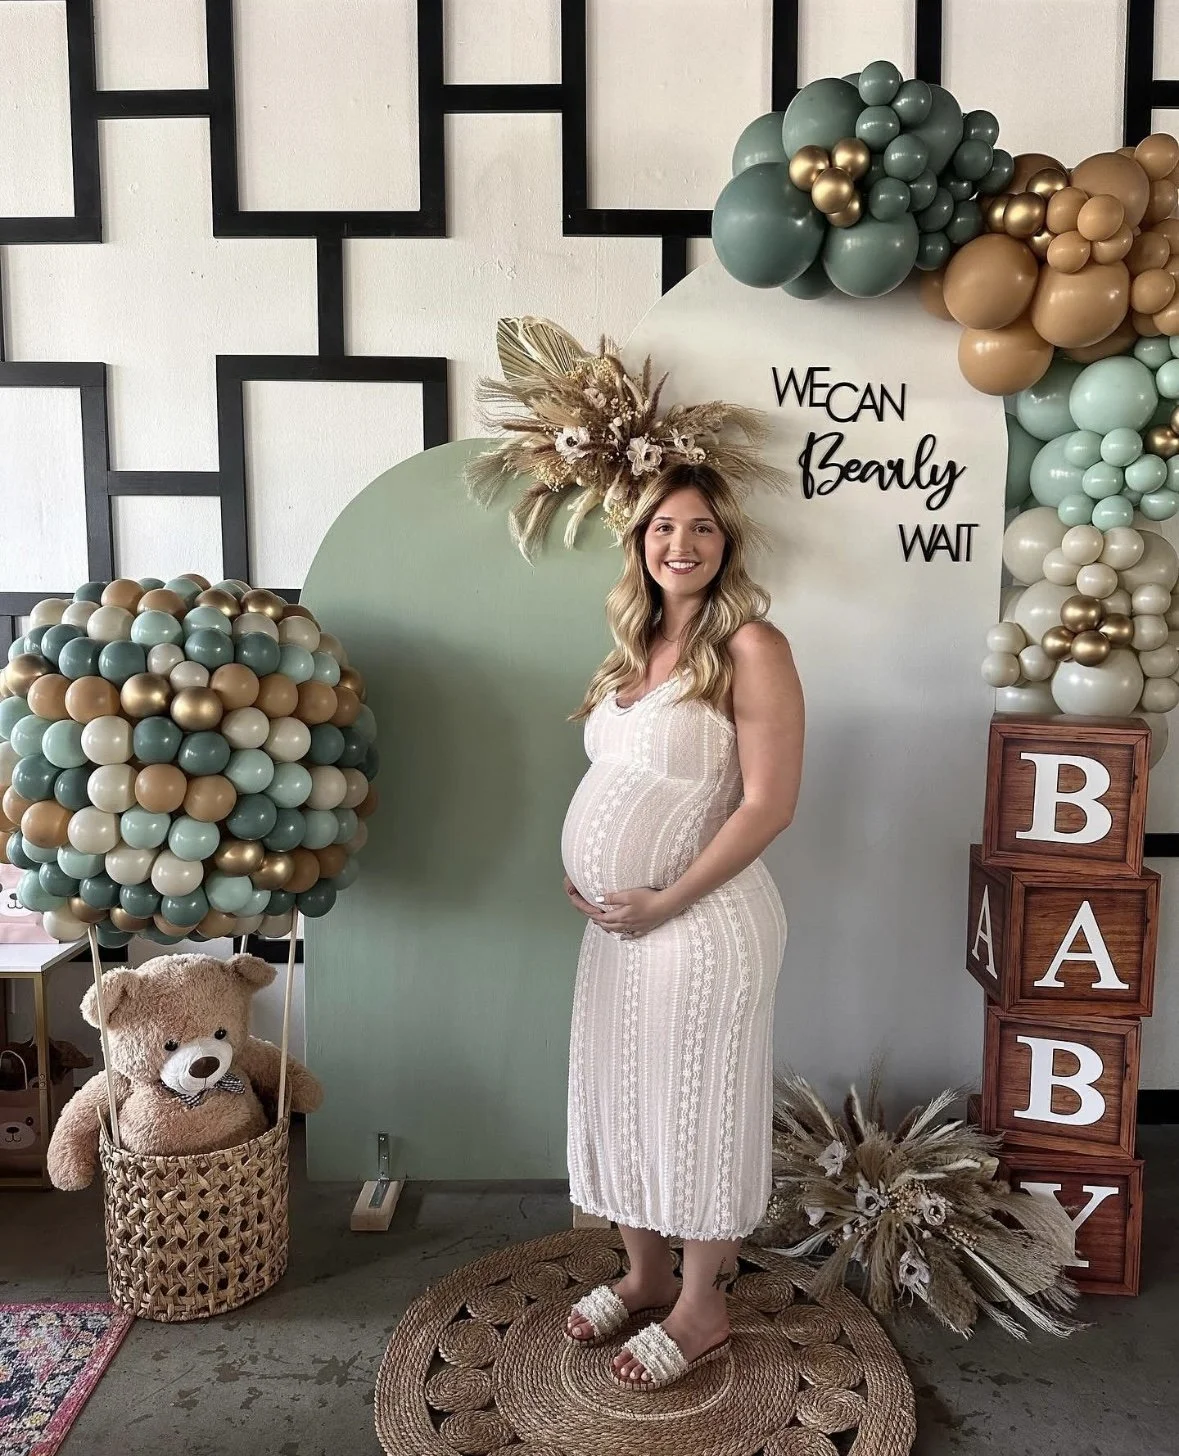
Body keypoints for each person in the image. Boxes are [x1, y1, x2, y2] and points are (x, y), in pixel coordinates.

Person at [559, 461, 804, 1390]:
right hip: (621, 930)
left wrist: (662, 897)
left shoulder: (751, 645)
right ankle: (644, 1272)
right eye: (663, 527)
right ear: (640, 544)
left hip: (705, 925)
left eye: (700, 528)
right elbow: (620, 785)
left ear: (726, 543)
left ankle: (701, 1305)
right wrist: (592, 870)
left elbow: (768, 805)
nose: (681, 544)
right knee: (621, 1092)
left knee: (698, 1107)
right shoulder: (630, 653)